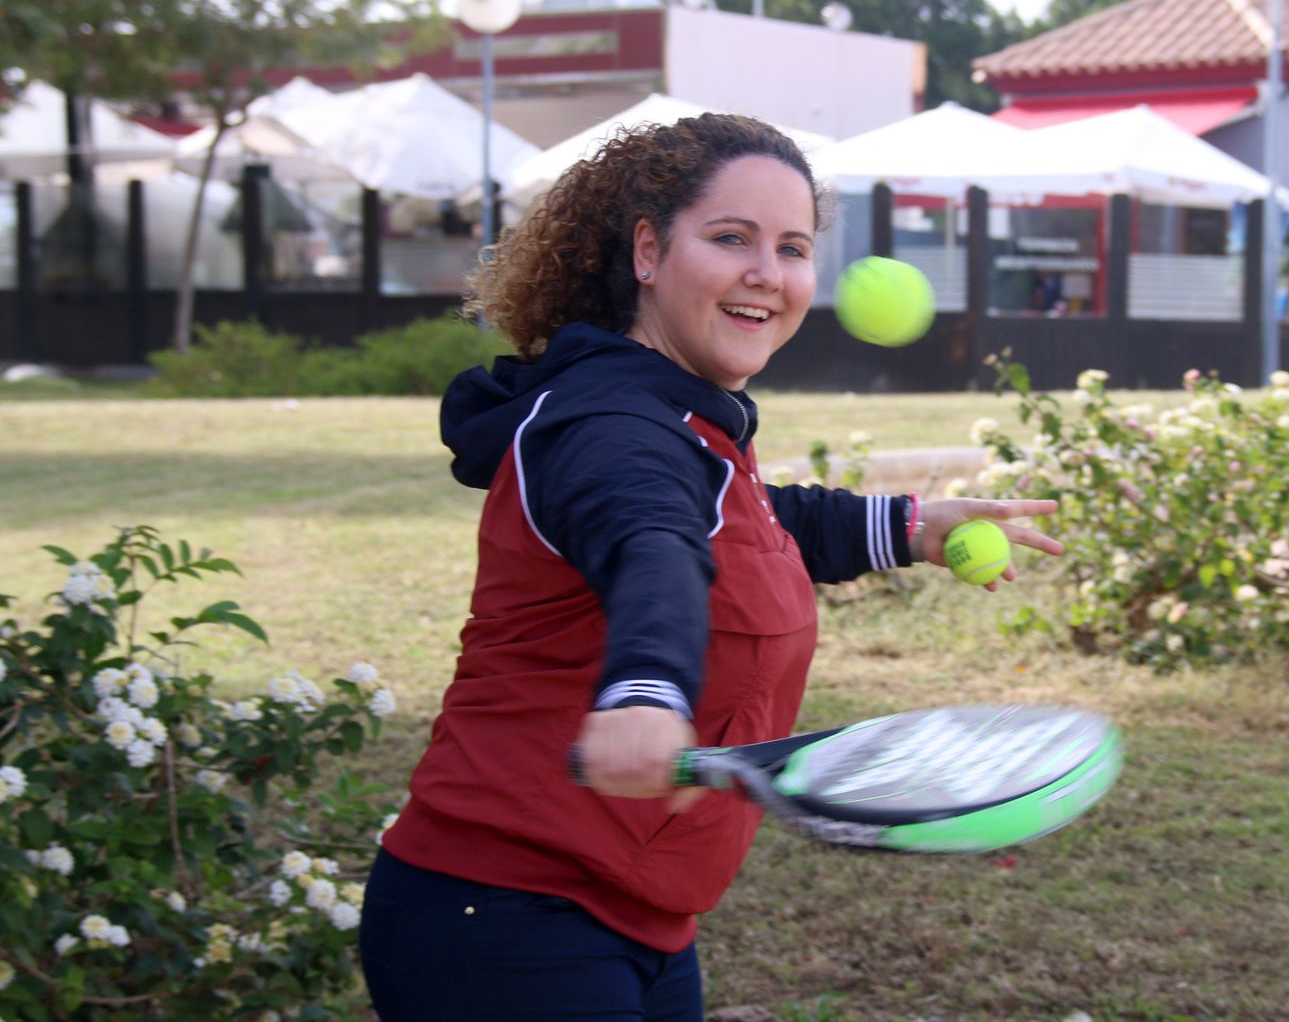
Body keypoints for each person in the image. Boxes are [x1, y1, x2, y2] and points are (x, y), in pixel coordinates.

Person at [358, 113, 1063, 1021]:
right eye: (732, 238)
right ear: (648, 252)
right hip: (504, 914)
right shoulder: (611, 428)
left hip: (637, 920)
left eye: (793, 247)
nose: (767, 273)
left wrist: (909, 525)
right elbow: (654, 547)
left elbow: (753, 524)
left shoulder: (680, 418)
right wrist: (647, 690)